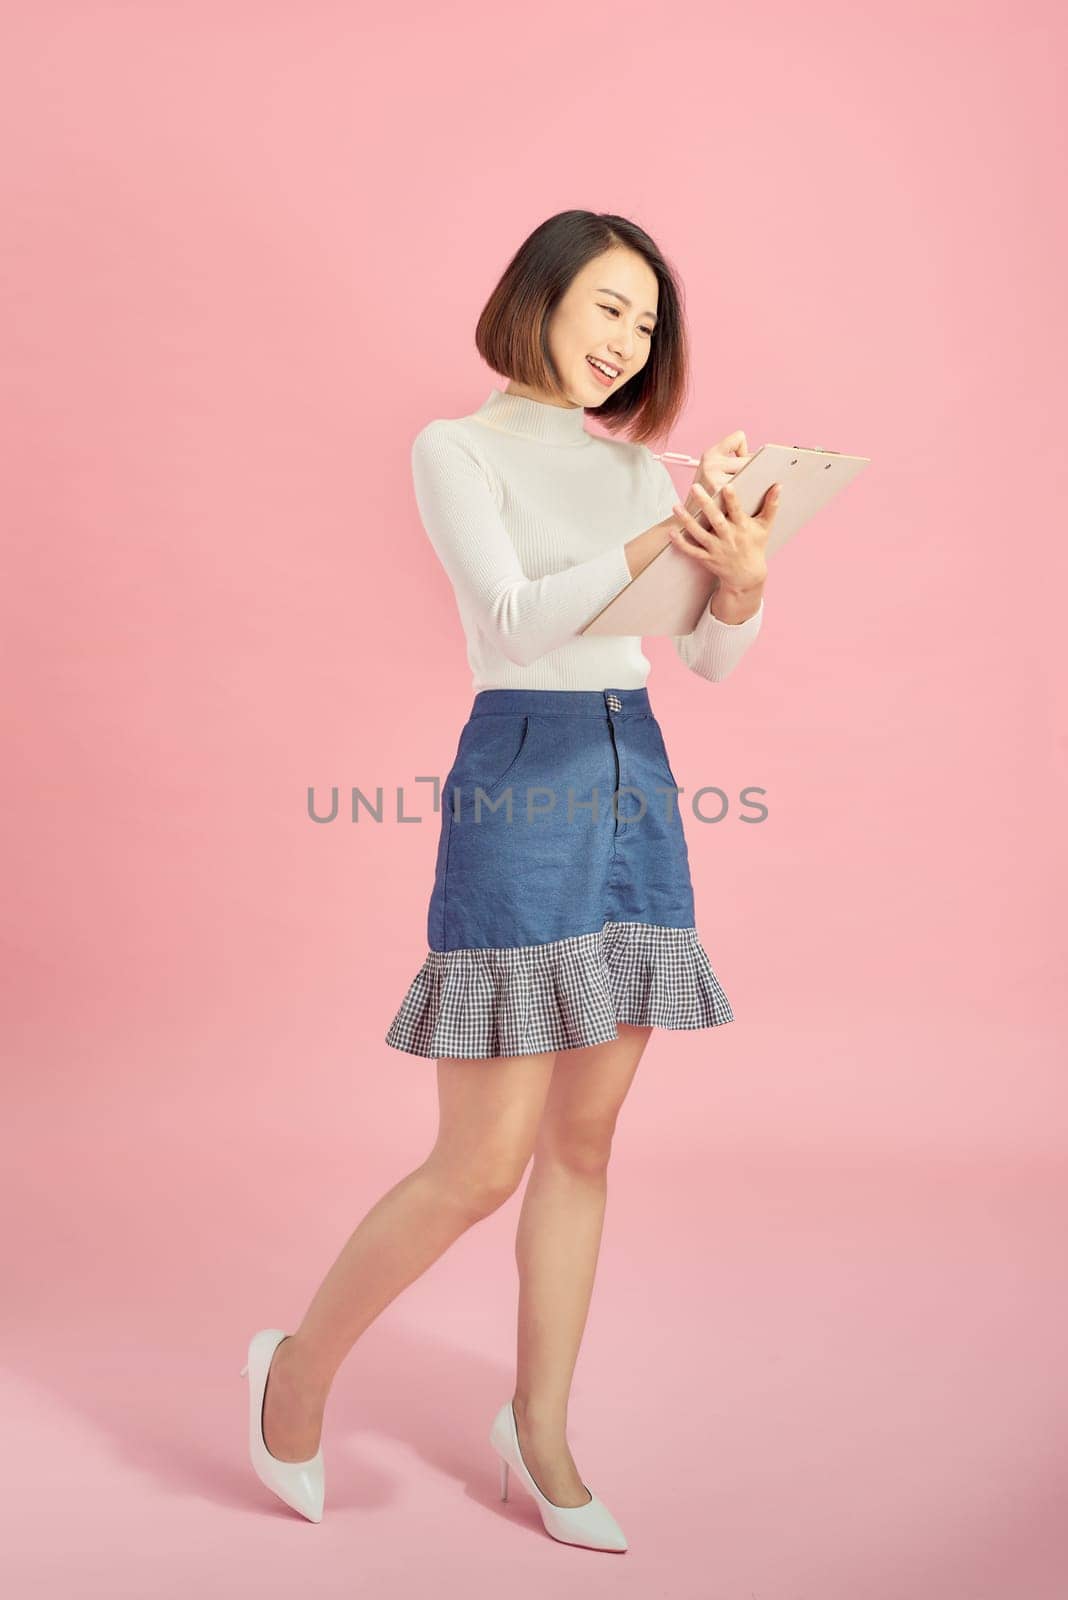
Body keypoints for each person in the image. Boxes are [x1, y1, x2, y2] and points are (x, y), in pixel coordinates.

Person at [241, 209, 779, 1552]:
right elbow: (517, 618)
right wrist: (669, 540)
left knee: (586, 1145)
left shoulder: (639, 470)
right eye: (609, 306)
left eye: (647, 323)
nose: (626, 342)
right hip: (523, 775)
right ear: (538, 296)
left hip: (634, 776)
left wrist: (745, 578)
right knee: (480, 1162)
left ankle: (536, 1429)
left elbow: (704, 664)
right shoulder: (457, 450)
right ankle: (295, 1367)